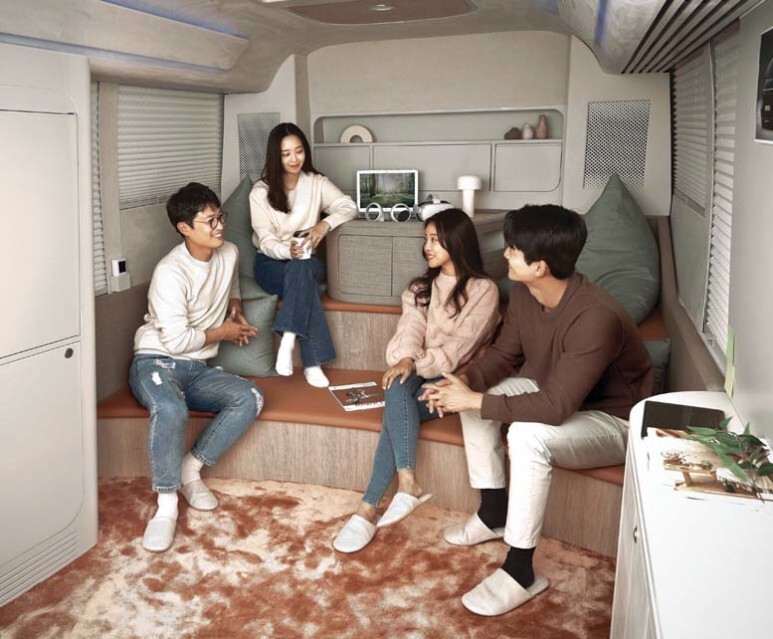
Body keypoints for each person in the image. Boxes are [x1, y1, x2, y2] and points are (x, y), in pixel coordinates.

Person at [423, 204, 653, 616]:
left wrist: (474, 399)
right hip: (555, 390)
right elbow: (504, 356)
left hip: (613, 418)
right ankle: (493, 511)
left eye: (513, 250)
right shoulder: (526, 294)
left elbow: (556, 407)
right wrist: (465, 382)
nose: (506, 254)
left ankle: (520, 569)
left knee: (526, 435)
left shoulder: (596, 317)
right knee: (476, 403)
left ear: (540, 266)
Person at [333, 209, 500, 553]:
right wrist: (407, 358)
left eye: (435, 240)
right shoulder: (419, 288)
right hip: (419, 369)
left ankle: (367, 508)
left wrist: (417, 362)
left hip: (455, 380)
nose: (427, 247)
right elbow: (411, 329)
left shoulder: (484, 290)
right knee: (397, 386)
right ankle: (407, 482)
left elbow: (460, 348)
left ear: (457, 242)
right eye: (426, 239)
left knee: (395, 410)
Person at [130, 182, 264, 553]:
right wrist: (224, 332)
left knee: (250, 397)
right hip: (156, 361)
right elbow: (175, 342)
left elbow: (230, 282)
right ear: (185, 228)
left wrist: (235, 307)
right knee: (170, 407)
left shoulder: (228, 251)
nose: (220, 226)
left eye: (220, 217)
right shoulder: (170, 272)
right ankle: (167, 504)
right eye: (210, 221)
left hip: (197, 367)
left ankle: (190, 470)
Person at [249, 122, 358, 388]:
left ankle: (288, 337)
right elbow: (266, 240)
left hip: (308, 262)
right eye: (286, 154)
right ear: (275, 157)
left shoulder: (316, 183)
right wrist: (287, 250)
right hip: (270, 263)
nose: (294, 159)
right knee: (303, 280)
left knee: (302, 269)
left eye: (299, 151)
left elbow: (348, 206)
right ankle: (312, 364)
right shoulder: (260, 192)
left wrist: (324, 224)